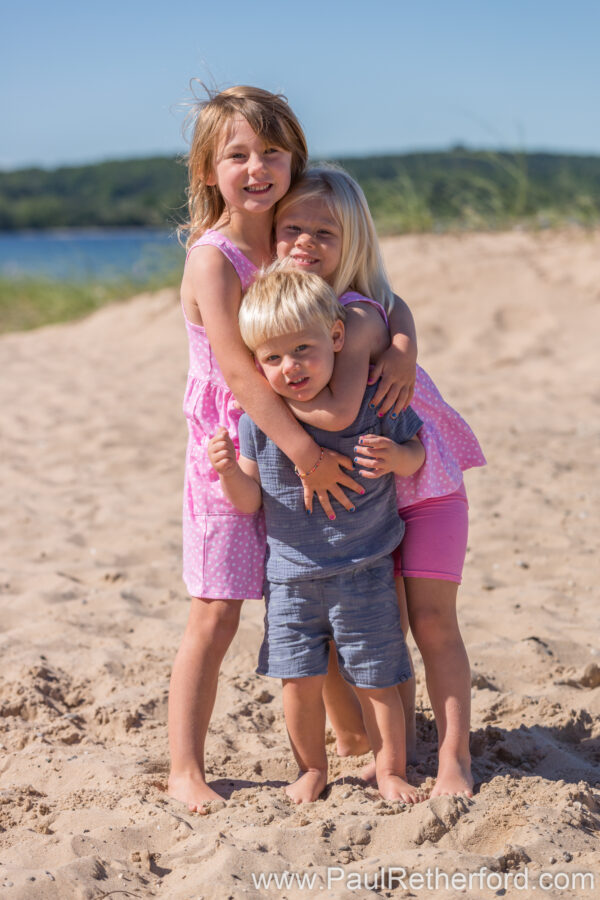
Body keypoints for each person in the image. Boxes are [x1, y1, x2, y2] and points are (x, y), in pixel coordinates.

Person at [168, 87, 417, 813]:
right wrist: (305, 453)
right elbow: (241, 373)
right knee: (215, 610)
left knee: (313, 584)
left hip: (302, 442)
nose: (257, 167)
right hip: (242, 444)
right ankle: (185, 766)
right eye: (237, 155)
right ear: (207, 170)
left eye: (272, 152)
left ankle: (349, 737)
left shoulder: (290, 234)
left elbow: (372, 291)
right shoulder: (215, 260)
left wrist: (401, 344)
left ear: (294, 159)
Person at [274, 165, 486, 797]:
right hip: (377, 496)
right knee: (384, 630)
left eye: (325, 233)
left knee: (433, 623)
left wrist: (263, 398)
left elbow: (339, 411)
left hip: (428, 483)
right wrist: (406, 336)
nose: (306, 242)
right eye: (293, 228)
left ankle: (455, 759)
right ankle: (402, 752)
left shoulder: (356, 314)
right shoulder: (303, 314)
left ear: (354, 245)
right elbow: (401, 306)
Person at [208, 268, 425, 804]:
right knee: (297, 683)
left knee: (376, 676)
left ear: (335, 337)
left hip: (365, 569)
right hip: (289, 579)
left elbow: (418, 451)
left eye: (302, 349)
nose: (290, 368)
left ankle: (391, 769)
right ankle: (311, 769)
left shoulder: (373, 401)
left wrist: (398, 457)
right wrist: (230, 473)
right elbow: (251, 502)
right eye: (273, 359)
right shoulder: (259, 423)